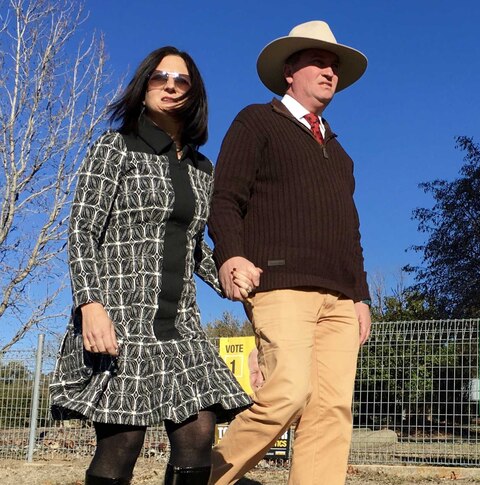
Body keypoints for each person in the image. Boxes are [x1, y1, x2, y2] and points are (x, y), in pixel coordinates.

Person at [49, 46, 261, 485]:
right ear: (144, 86)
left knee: (199, 430)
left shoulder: (204, 169)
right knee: (122, 443)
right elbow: (83, 230)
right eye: (159, 77)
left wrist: (228, 275)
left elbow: (194, 246)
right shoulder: (116, 147)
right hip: (119, 318)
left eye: (180, 80)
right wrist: (90, 303)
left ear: (193, 93)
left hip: (180, 324)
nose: (169, 85)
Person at [207, 20, 372, 485]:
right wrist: (230, 254)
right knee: (287, 392)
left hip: (340, 299)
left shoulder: (340, 154)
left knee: (330, 412)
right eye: (318, 61)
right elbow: (225, 198)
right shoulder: (257, 121)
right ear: (289, 71)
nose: (329, 71)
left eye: (335, 65)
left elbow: (351, 229)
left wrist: (360, 296)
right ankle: (202, 476)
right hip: (280, 285)